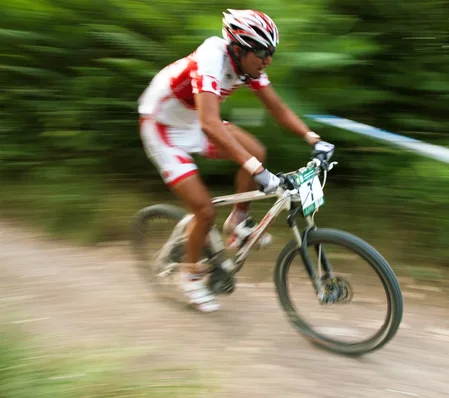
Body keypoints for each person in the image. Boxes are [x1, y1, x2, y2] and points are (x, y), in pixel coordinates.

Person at [137, 9, 335, 312]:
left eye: (271, 53)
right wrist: (258, 172)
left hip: (192, 122)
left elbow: (277, 108)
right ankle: (190, 276)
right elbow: (211, 124)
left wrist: (313, 138)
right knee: (203, 210)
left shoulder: (247, 67)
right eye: (263, 53)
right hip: (163, 128)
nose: (268, 60)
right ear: (239, 48)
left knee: (257, 150)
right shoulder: (211, 57)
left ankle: (238, 220)